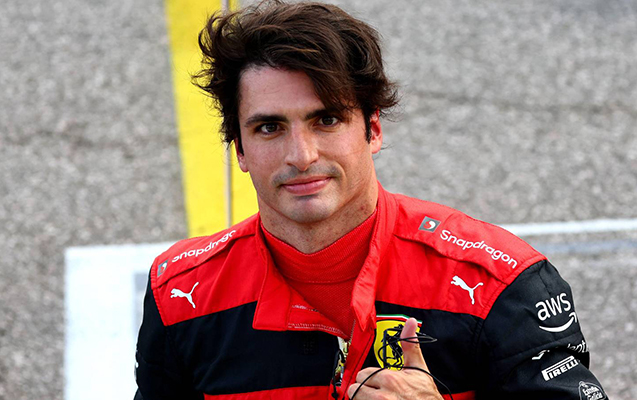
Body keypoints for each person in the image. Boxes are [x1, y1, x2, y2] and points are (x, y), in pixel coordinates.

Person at [134, 1, 607, 399]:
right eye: (270, 127)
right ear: (239, 149)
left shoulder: (499, 285)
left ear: (373, 129)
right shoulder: (180, 298)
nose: (301, 155)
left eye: (326, 120)